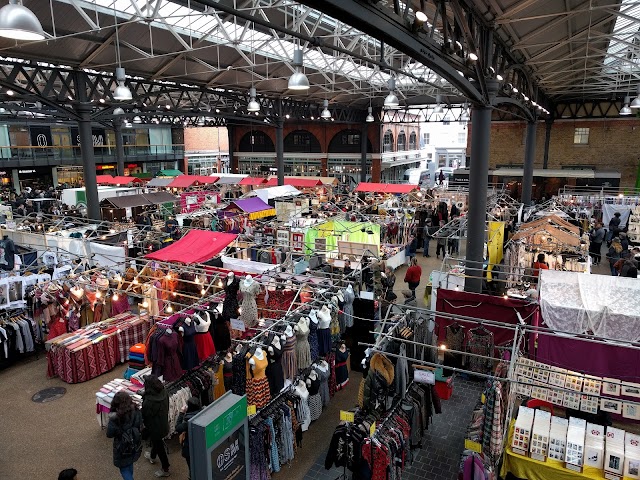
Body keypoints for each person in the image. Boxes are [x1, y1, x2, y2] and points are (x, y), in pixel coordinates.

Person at [106, 391, 143, 480]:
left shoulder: (115, 417)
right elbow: (140, 424)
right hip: (134, 442)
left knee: (124, 469)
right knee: (129, 464)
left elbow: (109, 434)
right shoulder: (136, 410)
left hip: (122, 446)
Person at [141, 375, 171, 477]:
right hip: (163, 423)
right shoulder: (164, 391)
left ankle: (165, 468)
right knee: (157, 443)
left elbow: (145, 415)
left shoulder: (149, 401)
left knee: (159, 446)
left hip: (154, 427)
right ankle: (152, 456)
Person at [175, 397, 203, 477]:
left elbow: (178, 427)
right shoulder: (202, 413)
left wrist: (181, 413)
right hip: (201, 445)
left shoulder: (189, 422)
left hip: (190, 447)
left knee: (192, 466)